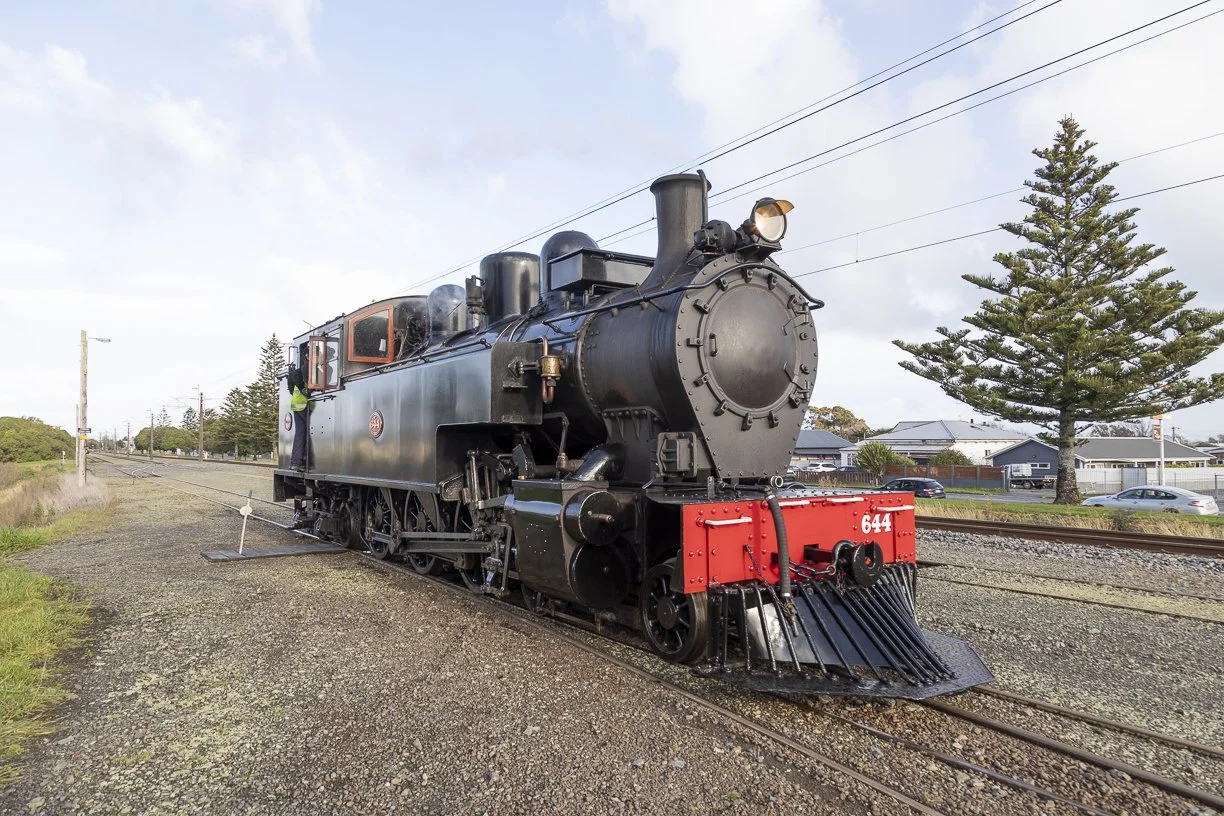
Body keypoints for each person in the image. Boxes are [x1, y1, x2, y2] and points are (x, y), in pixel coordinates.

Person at [287, 364, 310, 471]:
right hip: (303, 403)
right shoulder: (308, 368)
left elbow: (291, 387)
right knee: (307, 433)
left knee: (299, 434)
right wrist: (304, 390)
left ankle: (295, 463)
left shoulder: (297, 372)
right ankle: (304, 460)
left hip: (296, 404)